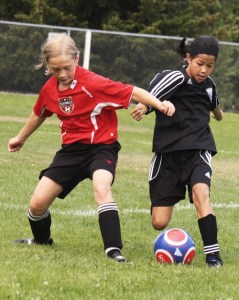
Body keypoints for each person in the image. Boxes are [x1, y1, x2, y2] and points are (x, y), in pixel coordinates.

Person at [8, 33, 175, 263]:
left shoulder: (93, 83)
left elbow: (133, 91)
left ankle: (114, 250)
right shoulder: (49, 89)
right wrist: (21, 137)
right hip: (70, 152)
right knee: (37, 204)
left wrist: (160, 104)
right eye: (56, 70)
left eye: (67, 67)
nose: (63, 74)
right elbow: (40, 112)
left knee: (102, 187)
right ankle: (42, 241)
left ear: (76, 58)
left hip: (101, 149)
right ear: (48, 66)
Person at [131, 36, 224, 267]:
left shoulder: (210, 85)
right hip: (168, 154)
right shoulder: (174, 77)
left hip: (198, 149)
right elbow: (150, 96)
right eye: (200, 63)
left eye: (210, 65)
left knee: (201, 193)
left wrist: (218, 114)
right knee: (159, 222)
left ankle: (213, 256)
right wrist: (143, 107)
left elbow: (215, 107)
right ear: (189, 58)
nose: (204, 70)